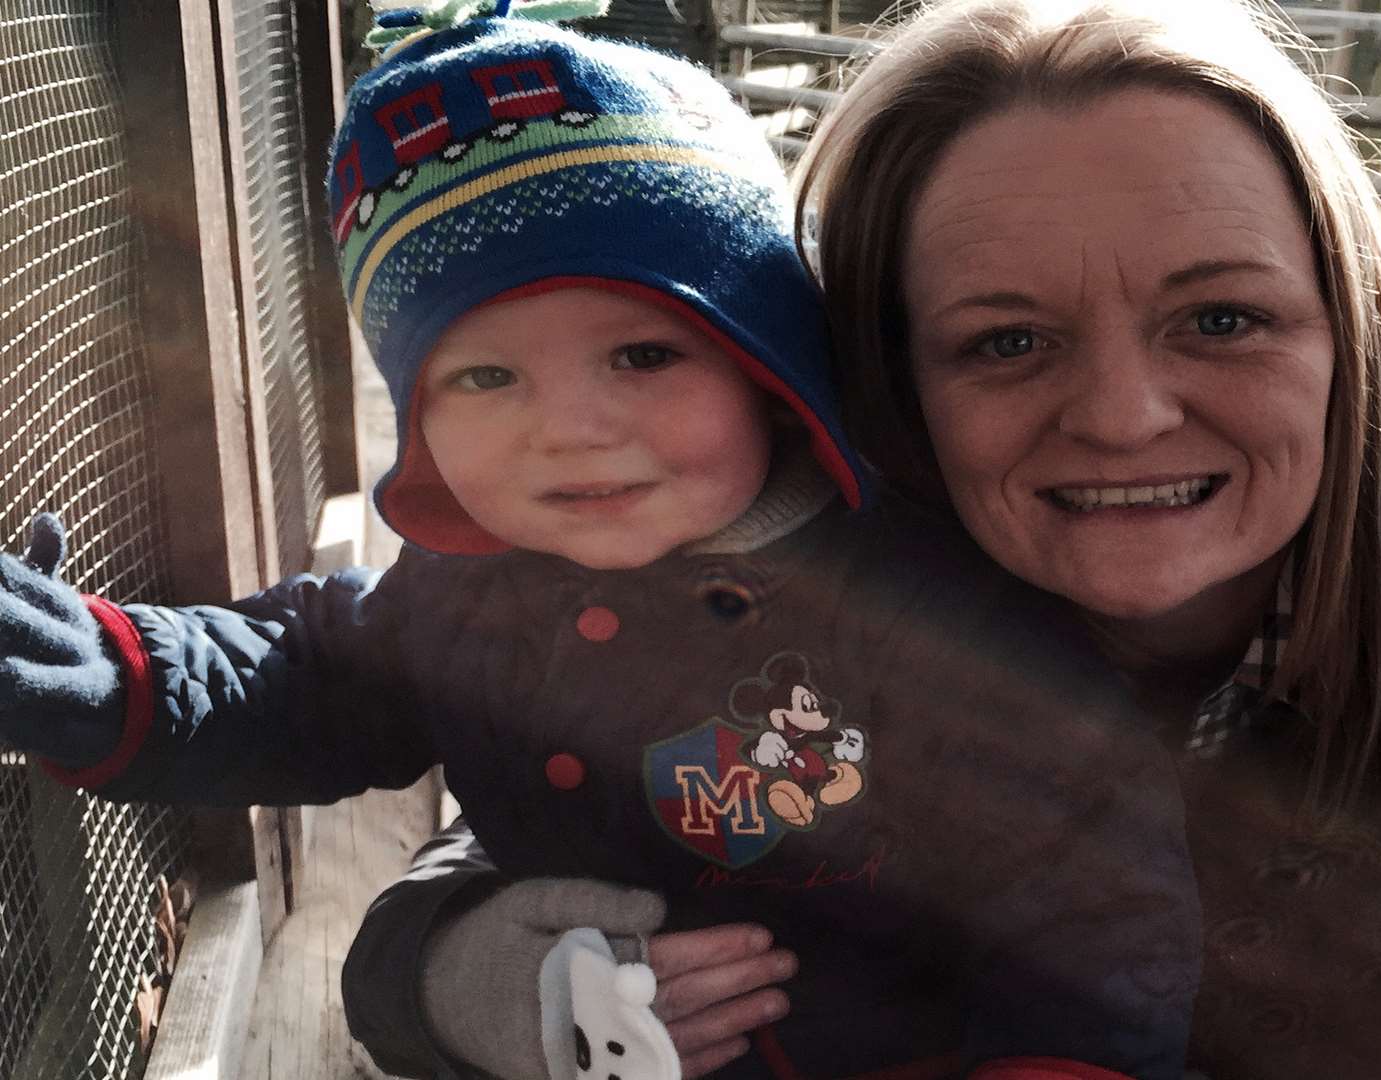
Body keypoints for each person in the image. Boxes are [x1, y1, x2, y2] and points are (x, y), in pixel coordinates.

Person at [342, 0, 1381, 1077]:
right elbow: (597, 803)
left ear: (1352, 331)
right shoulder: (833, 585)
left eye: (1223, 318)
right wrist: (446, 974)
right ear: (872, 378)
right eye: (1006, 342)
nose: (1124, 416)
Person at [0, 9, 1202, 1080]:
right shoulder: (470, 592)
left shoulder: (929, 607)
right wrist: (100, 673)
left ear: (766, 363)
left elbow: (1087, 901)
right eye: (482, 374)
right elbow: (303, 674)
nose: (568, 431)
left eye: (643, 355)